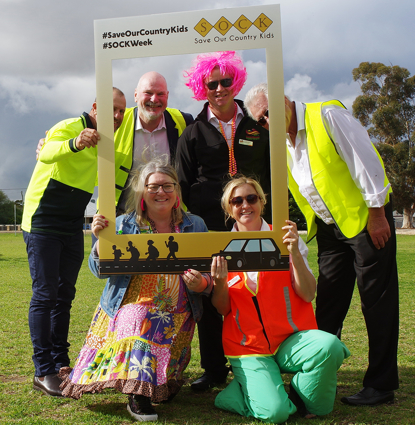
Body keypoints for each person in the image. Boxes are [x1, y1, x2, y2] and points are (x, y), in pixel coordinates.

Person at [244, 83, 399, 406]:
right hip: (330, 229)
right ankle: (313, 379)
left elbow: (365, 160)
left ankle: (381, 384)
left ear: (285, 99)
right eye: (261, 119)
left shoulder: (327, 115)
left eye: (271, 110)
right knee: (327, 305)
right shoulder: (281, 143)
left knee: (376, 303)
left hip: (365, 222)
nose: (268, 120)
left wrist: (377, 213)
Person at [60, 157, 212, 422]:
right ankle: (137, 395)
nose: (160, 192)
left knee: (164, 390)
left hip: (178, 308)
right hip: (132, 302)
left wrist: (203, 284)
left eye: (167, 186)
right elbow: (97, 270)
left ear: (177, 191)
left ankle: (154, 383)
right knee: (139, 318)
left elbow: (209, 271)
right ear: (142, 192)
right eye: (153, 187)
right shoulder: (122, 224)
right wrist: (99, 244)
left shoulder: (195, 224)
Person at [210, 177, 350, 423]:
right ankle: (235, 395)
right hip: (248, 348)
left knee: (330, 349)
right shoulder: (221, 248)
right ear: (228, 208)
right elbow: (222, 308)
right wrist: (220, 282)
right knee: (275, 413)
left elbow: (308, 293)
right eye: (237, 200)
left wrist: (294, 251)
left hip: (291, 339)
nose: (245, 205)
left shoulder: (286, 239)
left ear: (262, 202)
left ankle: (290, 394)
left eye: (251, 198)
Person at [175, 50, 272, 393]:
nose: (219, 89)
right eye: (211, 83)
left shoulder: (258, 127)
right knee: (211, 292)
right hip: (209, 228)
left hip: (253, 223)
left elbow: (273, 176)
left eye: (225, 81)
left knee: (255, 291)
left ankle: (262, 359)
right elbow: (182, 183)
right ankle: (215, 368)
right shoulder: (193, 132)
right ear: (202, 87)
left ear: (236, 81)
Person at [22, 87, 128, 397]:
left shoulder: (108, 144)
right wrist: (75, 143)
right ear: (95, 107)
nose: (118, 116)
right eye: (112, 109)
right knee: (45, 293)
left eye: (122, 111)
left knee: (65, 294)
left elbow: (118, 180)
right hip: (42, 220)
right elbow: (45, 152)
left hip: (71, 225)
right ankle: (42, 371)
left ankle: (61, 363)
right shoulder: (70, 127)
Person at [113, 72, 194, 213]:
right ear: (136, 95)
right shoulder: (116, 121)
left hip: (169, 217)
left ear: (167, 96)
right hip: (122, 215)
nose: (154, 99)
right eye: (148, 93)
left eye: (160, 94)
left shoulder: (184, 121)